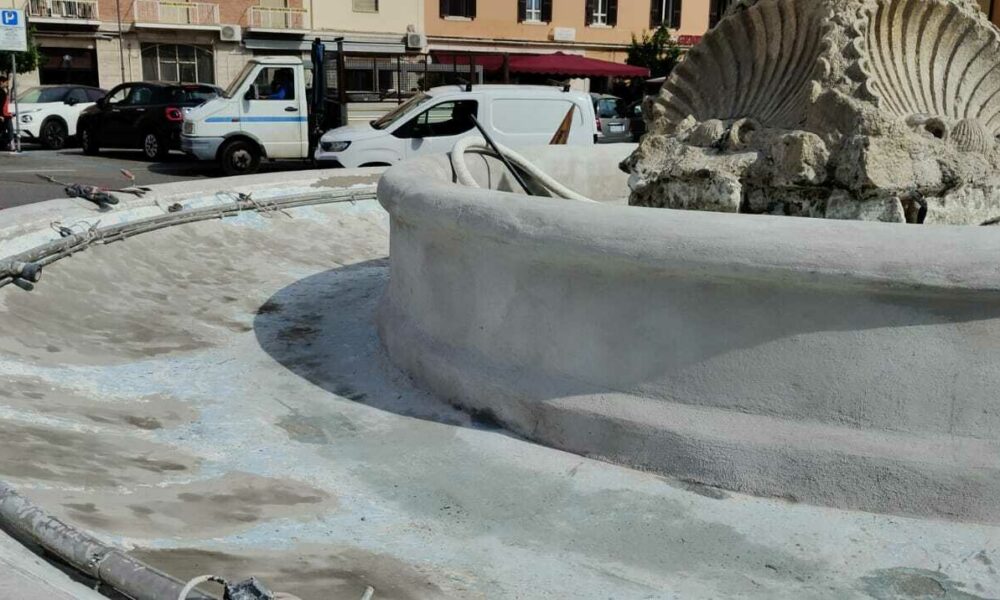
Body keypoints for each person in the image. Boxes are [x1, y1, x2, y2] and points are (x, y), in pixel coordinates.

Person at [0, 76, 13, 152]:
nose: (7, 84)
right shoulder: (1, 92)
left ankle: (10, 145)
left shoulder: (4, 90)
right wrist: (0, 115)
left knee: (9, 130)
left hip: (7, 114)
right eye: (6, 82)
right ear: (1, 82)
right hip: (3, 115)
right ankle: (10, 145)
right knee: (8, 130)